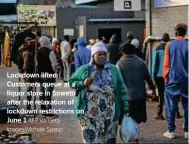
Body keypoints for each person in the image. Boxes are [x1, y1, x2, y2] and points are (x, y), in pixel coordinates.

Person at [69, 42, 129, 143]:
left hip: (110, 114)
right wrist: (82, 83)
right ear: (93, 56)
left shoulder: (114, 70)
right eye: (99, 54)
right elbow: (71, 83)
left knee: (109, 140)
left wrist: (126, 106)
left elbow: (122, 89)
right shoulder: (84, 69)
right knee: (90, 140)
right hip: (88, 115)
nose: (102, 56)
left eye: (104, 54)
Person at [116, 44, 156, 125]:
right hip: (140, 96)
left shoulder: (120, 63)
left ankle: (131, 135)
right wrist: (153, 89)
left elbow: (117, 82)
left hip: (127, 98)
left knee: (127, 119)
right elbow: (148, 78)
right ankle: (135, 135)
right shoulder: (141, 62)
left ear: (123, 53)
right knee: (137, 119)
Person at [163, 23, 188, 139]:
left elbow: (166, 64)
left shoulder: (169, 45)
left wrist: (165, 77)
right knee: (187, 105)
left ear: (176, 32)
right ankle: (187, 131)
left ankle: (171, 130)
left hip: (172, 78)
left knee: (171, 105)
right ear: (185, 32)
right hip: (186, 79)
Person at [37, 36, 58, 117]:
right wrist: (55, 72)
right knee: (48, 93)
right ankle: (48, 111)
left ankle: (43, 111)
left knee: (42, 93)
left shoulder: (38, 52)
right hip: (49, 75)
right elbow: (54, 64)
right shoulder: (50, 52)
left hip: (41, 75)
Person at [152, 33, 170, 120]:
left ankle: (160, 113)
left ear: (161, 40)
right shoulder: (171, 48)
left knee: (161, 94)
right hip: (169, 75)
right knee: (171, 94)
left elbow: (155, 63)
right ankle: (176, 112)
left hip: (159, 75)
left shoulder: (158, 48)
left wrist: (153, 74)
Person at [17, 37, 35, 112]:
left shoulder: (24, 49)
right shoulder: (26, 52)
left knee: (30, 89)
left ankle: (28, 106)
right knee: (29, 89)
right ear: (27, 42)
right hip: (27, 72)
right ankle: (28, 106)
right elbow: (26, 65)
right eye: (30, 42)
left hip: (25, 72)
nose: (31, 43)